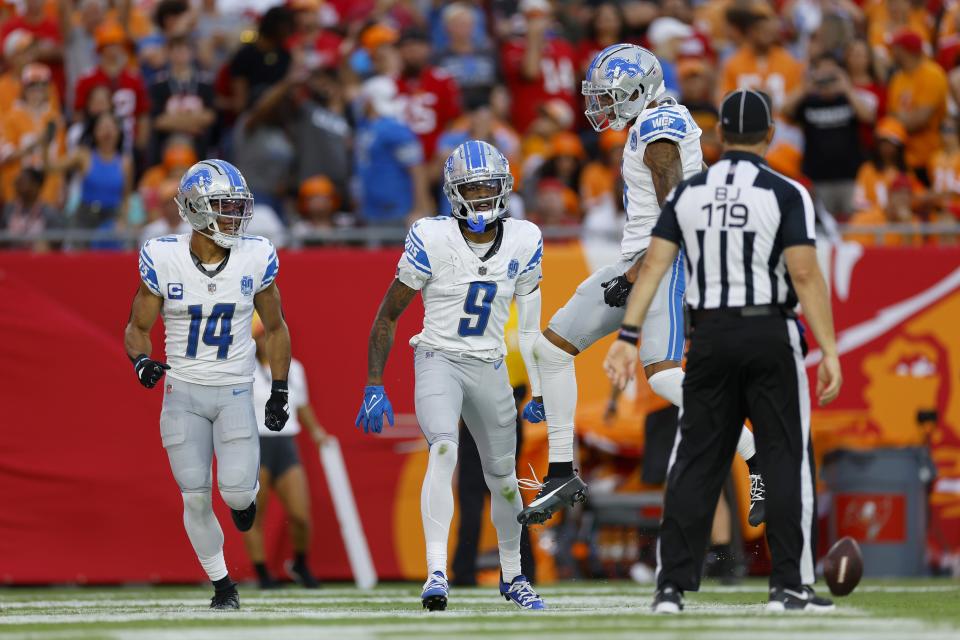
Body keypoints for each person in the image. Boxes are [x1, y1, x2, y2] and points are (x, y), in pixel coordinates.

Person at [604, 89, 842, 614]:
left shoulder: (689, 193)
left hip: (710, 336)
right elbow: (804, 273)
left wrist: (627, 336)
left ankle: (670, 588)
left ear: (718, 137)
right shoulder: (785, 190)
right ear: (770, 135)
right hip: (768, 330)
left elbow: (655, 264)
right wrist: (828, 347)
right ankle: (790, 585)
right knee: (786, 460)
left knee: (694, 462)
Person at [518, 44, 763, 528]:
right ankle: (563, 471)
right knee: (551, 350)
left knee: (667, 377)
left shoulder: (657, 128)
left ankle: (759, 458)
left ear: (640, 89)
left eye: (611, 96)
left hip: (666, 260)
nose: (603, 106)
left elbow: (678, 211)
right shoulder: (652, 121)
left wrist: (635, 274)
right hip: (642, 257)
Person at [354, 140, 547, 611]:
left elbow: (529, 324)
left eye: (489, 187)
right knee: (442, 450)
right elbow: (387, 315)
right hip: (438, 357)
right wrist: (374, 382)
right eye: (472, 188)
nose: (482, 197)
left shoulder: (524, 238)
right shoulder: (432, 237)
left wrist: (539, 386)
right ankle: (436, 572)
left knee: (503, 479)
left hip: (491, 365)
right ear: (454, 193)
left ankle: (513, 576)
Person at [123, 158, 291, 609]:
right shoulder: (164, 257)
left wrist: (279, 388)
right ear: (196, 209)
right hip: (183, 391)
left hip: (235, 387)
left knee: (236, 490)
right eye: (223, 206)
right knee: (195, 495)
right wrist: (142, 361)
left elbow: (274, 329)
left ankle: (243, 501)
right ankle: (223, 586)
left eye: (237, 207)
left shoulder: (255, 256)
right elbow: (136, 327)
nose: (234, 216)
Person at [244, 313, 328, 589]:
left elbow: (301, 405)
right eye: (262, 337)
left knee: (301, 515)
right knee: (257, 515)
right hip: (256, 443)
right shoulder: (243, 368)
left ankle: (301, 563)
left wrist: (317, 432)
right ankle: (262, 573)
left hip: (285, 443)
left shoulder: (295, 369)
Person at [781, 54, 875, 219]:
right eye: (822, 73)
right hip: (818, 178)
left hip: (850, 177)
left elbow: (867, 116)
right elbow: (784, 111)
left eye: (831, 73)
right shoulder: (808, 101)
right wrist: (805, 87)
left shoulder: (848, 98)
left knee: (854, 227)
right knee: (823, 227)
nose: (827, 79)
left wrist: (846, 87)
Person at [354, 76, 431, 227]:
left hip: (394, 210)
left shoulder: (395, 129)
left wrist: (419, 208)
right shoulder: (366, 126)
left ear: (370, 100)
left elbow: (417, 169)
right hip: (370, 210)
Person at [886, 28, 949, 185]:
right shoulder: (898, 78)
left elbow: (919, 120)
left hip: (930, 156)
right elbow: (891, 117)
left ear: (904, 50)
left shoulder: (932, 74)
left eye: (895, 48)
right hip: (905, 159)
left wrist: (900, 119)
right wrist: (903, 119)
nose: (892, 52)